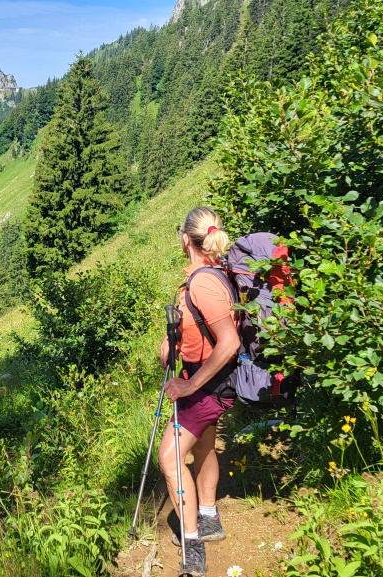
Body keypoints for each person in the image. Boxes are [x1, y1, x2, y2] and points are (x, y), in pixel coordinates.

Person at [158, 206, 241, 577]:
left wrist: (190, 383)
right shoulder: (214, 274)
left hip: (208, 385)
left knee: (170, 458)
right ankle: (208, 517)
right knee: (204, 446)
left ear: (184, 240)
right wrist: (173, 340)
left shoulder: (203, 283)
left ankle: (192, 548)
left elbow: (229, 342)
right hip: (211, 380)